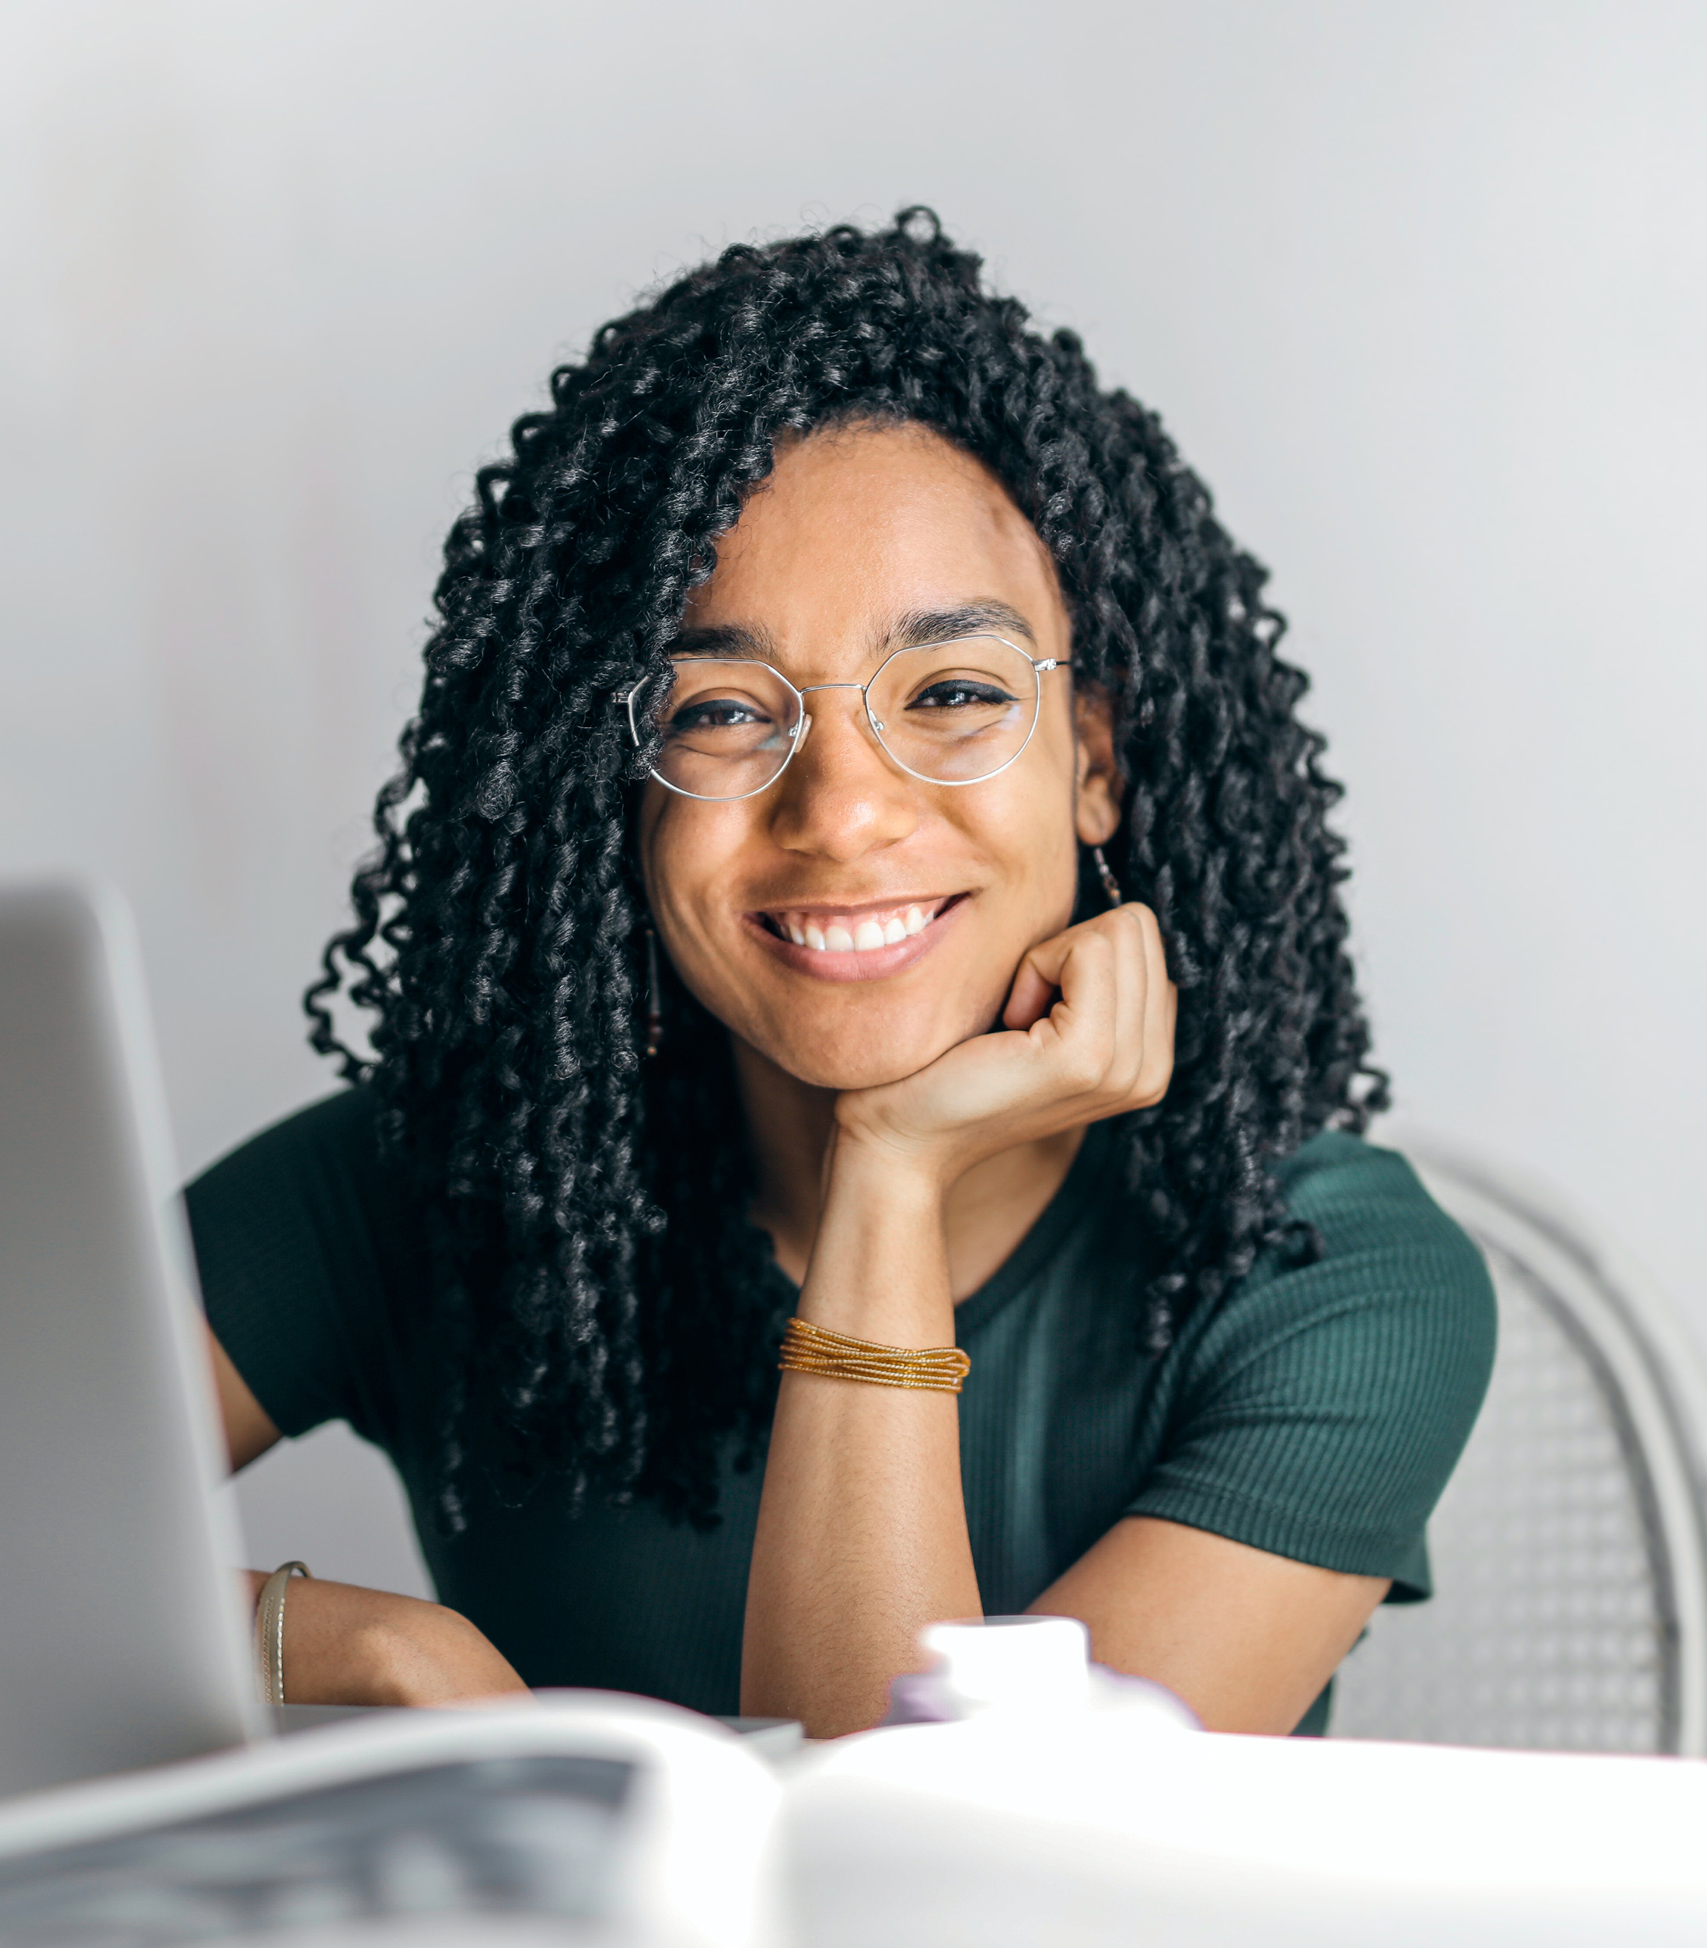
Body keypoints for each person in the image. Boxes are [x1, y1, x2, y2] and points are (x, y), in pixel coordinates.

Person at [188, 210, 1495, 1740]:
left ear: (1095, 759)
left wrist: (892, 1173)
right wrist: (355, 1646)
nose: (845, 811)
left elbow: (931, 1883)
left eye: (950, 692)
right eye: (724, 713)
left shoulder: (1323, 1277)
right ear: (611, 788)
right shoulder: (439, 1181)